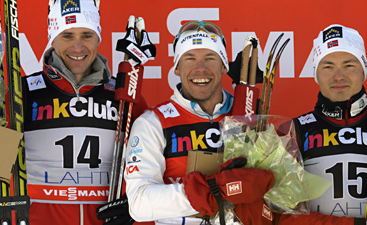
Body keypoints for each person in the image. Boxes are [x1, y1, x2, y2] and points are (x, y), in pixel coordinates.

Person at [96, 21, 275, 225]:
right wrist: (216, 190)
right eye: (189, 58)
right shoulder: (153, 123)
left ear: (224, 65)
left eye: (210, 58)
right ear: (177, 68)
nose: (201, 69)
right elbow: (139, 203)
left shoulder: (249, 117)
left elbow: (278, 191)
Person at [22, 0, 146, 224]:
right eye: (67, 35)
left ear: (98, 37)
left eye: (87, 35)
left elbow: (149, 166)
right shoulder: (23, 93)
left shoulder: (124, 94)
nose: (78, 47)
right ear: (52, 37)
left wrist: (135, 204)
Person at [277, 24, 367, 224]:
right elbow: (283, 216)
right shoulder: (293, 131)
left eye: (349, 65)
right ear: (316, 73)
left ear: (364, 70)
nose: (338, 76)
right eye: (328, 66)